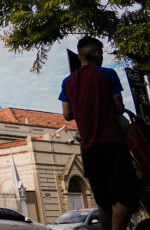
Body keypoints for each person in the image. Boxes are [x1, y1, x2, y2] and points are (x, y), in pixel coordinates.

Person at [59, 36, 138, 230]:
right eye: (101, 53)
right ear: (97, 54)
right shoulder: (108, 74)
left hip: (88, 148)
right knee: (126, 196)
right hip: (112, 142)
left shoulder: (68, 82)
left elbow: (67, 115)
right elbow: (119, 108)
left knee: (104, 201)